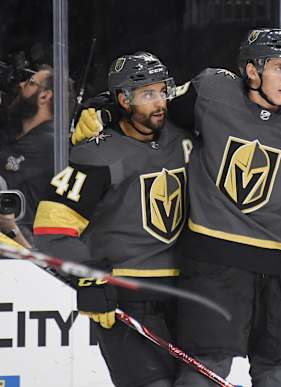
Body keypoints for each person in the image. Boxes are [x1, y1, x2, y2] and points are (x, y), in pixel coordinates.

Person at [73, 28, 281, 387]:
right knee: (206, 370)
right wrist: (107, 108)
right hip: (215, 265)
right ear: (252, 70)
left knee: (279, 371)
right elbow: (154, 107)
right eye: (278, 67)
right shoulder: (211, 92)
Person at [33, 52, 192, 387]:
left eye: (162, 91)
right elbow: (51, 229)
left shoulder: (185, 140)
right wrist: (90, 277)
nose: (159, 102)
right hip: (126, 300)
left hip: (187, 295)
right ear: (123, 99)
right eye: (147, 94)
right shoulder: (97, 154)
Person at [0, 65, 54, 240]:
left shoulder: (47, 144)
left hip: (21, 249)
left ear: (45, 96)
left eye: (31, 83)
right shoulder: (18, 135)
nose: (22, 84)